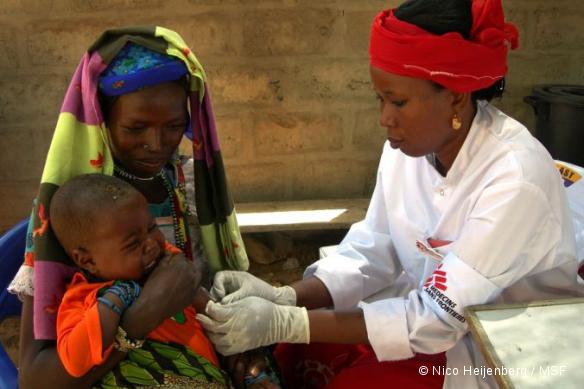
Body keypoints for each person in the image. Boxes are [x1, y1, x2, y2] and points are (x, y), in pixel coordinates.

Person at [197, 1, 584, 388]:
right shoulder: (412, 148)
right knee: (292, 352)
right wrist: (283, 298)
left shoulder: (514, 179)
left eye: (398, 101)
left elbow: (437, 318)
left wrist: (288, 321)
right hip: (427, 321)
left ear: (456, 96)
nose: (385, 118)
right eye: (379, 99)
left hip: (497, 349)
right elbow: (376, 246)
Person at [8, 26, 248, 388]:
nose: (156, 143)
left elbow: (219, 302)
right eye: (136, 128)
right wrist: (142, 315)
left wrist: (245, 349)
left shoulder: (194, 186)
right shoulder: (70, 211)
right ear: (102, 121)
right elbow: (37, 380)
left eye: (173, 126)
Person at [49, 173, 279, 388]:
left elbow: (201, 300)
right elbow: (76, 361)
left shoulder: (161, 263)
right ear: (87, 260)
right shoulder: (81, 299)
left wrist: (235, 349)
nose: (151, 244)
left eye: (151, 228)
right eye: (132, 244)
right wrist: (115, 298)